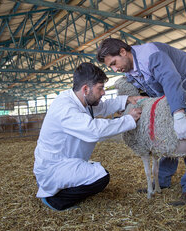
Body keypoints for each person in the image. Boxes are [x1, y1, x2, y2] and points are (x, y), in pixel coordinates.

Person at [96, 38, 186, 206]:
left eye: (114, 63)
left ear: (122, 51)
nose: (115, 69)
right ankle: (162, 179)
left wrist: (178, 113)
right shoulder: (129, 70)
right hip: (169, 90)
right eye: (111, 67)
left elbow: (170, 80)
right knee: (166, 132)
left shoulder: (150, 55)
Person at [33, 62, 144, 211]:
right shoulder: (65, 107)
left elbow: (103, 107)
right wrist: (128, 119)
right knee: (101, 177)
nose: (103, 92)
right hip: (54, 167)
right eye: (100, 88)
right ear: (86, 89)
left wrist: (126, 100)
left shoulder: (81, 100)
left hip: (67, 161)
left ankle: (62, 188)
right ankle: (55, 200)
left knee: (94, 170)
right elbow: (94, 131)